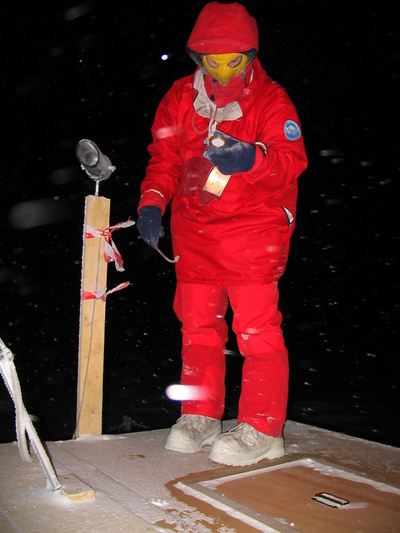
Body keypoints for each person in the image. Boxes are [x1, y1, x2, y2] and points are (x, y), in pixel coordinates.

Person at [137, 1, 307, 467]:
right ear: (199, 57)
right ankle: (200, 414)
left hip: (253, 232)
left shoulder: (273, 100)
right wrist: (152, 202)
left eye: (234, 60)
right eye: (214, 59)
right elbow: (165, 159)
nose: (224, 70)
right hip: (194, 234)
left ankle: (263, 427)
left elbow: (292, 163)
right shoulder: (178, 97)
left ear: (250, 56)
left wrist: (252, 159)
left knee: (256, 332)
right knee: (198, 330)